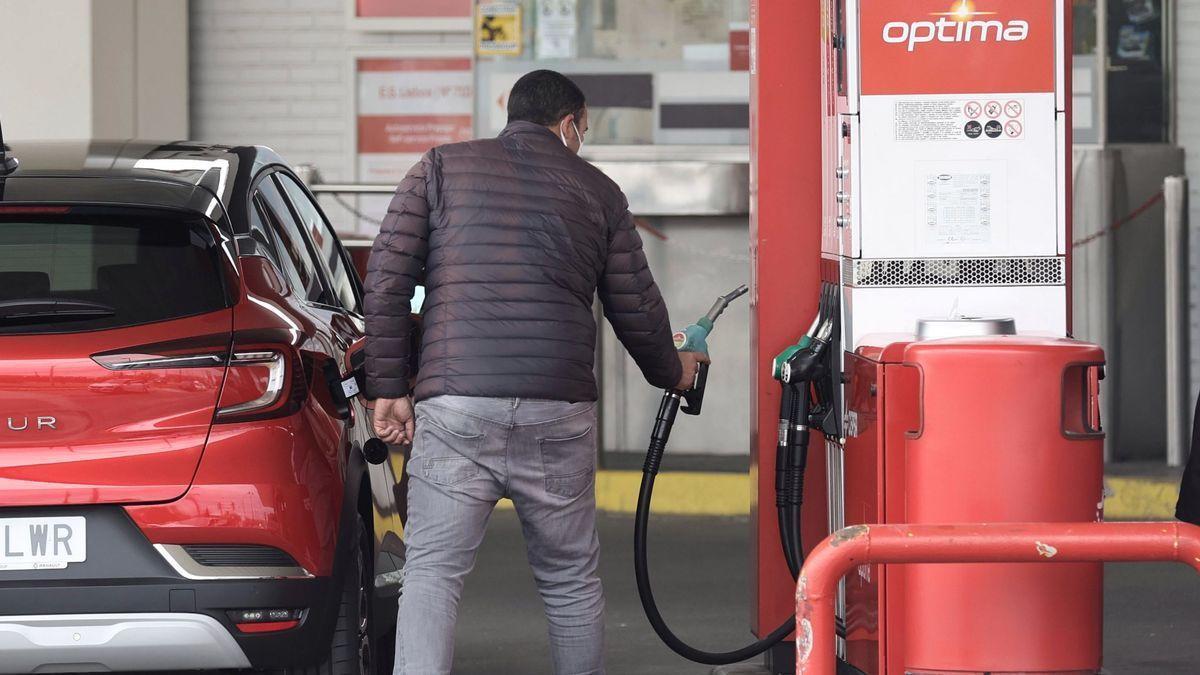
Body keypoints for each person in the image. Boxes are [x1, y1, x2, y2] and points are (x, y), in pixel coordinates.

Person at [365, 69, 706, 675]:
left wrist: (388, 386)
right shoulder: (598, 190)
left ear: (513, 114)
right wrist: (673, 373)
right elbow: (636, 306)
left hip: (456, 403)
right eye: (585, 128)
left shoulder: (439, 168)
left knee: (433, 575)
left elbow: (388, 283)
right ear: (570, 125)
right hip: (557, 408)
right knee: (570, 579)